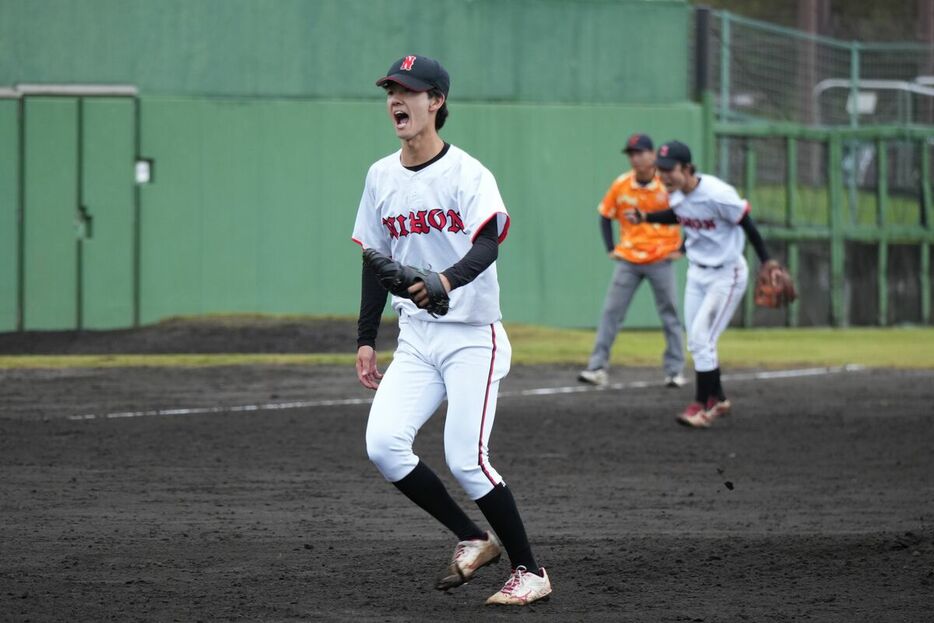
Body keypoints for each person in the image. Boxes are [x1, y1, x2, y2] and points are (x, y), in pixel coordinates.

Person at [351, 54, 552, 606]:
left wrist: (443, 280)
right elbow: (376, 260)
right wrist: (367, 338)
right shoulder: (380, 176)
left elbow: (487, 243)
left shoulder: (468, 173)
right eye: (391, 89)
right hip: (415, 337)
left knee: (467, 456)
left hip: (471, 335)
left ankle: (530, 570)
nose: (397, 99)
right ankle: (470, 536)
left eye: (409, 91)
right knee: (384, 446)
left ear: (436, 101)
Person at [625, 140, 773, 428]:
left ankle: (701, 406)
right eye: (661, 169)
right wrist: (646, 217)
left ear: (688, 168)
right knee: (697, 340)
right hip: (697, 273)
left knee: (702, 339)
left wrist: (766, 260)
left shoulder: (718, 195)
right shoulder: (676, 195)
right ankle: (718, 398)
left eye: (670, 169)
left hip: (726, 275)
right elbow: (679, 215)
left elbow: (747, 223)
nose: (664, 175)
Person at [578, 133, 686, 389]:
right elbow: (605, 214)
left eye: (639, 153)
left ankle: (674, 371)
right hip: (628, 259)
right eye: (631, 154)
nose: (635, 158)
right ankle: (597, 367)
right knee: (611, 313)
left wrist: (683, 248)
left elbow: (687, 214)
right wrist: (610, 248)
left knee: (669, 314)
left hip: (661, 258)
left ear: (652, 155)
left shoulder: (666, 184)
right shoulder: (622, 184)